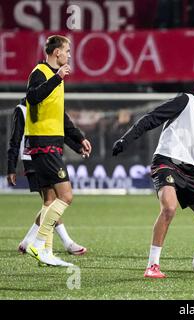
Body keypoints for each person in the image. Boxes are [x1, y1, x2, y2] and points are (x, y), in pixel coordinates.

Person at [112, 69, 194, 278]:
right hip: (166, 162)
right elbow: (151, 119)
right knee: (169, 208)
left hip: (190, 172)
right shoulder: (185, 101)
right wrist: (126, 140)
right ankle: (152, 266)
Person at [24, 35, 92, 267]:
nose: (70, 54)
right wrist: (56, 78)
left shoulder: (55, 78)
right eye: (67, 50)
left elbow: (59, 117)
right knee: (66, 196)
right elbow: (31, 98)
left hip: (50, 142)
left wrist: (78, 139)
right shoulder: (41, 73)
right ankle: (38, 243)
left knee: (50, 200)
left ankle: (46, 252)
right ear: (56, 53)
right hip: (43, 144)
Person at [7, 98, 88, 258]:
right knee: (53, 201)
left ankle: (28, 242)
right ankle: (63, 243)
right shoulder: (22, 109)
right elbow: (15, 140)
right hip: (32, 158)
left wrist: (78, 147)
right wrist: (11, 168)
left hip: (49, 155)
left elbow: (60, 132)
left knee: (51, 202)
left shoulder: (50, 105)